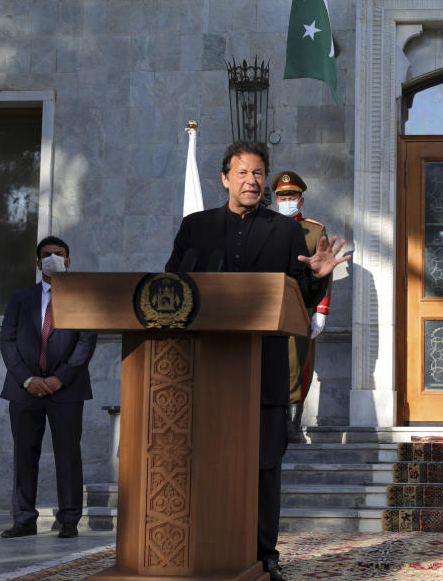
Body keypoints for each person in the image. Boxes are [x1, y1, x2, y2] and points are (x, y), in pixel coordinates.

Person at [165, 141, 349, 581]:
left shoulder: (286, 232)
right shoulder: (197, 227)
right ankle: (204, 545)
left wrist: (318, 279)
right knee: (207, 460)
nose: (252, 181)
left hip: (264, 368)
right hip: (208, 368)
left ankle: (265, 554)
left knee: (265, 466)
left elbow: (298, 299)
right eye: (243, 172)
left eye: (259, 173)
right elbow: (173, 285)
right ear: (225, 177)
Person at [0, 236, 97, 539]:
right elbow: (8, 341)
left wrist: (59, 378)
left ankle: (69, 520)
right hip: (24, 389)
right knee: (24, 454)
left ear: (68, 261)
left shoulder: (83, 297)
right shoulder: (20, 298)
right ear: (38, 263)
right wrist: (29, 379)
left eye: (59, 254)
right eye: (47, 254)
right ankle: (24, 519)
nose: (53, 258)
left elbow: (86, 342)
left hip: (66, 390)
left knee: (68, 454)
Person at [271, 171, 331, 440]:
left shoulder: (314, 230)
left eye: (291, 196)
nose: (287, 200)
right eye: (282, 196)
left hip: (301, 307)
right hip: (267, 306)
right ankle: (272, 419)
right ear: (275, 200)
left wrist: (321, 310)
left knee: (298, 362)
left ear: (301, 200)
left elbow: (324, 271)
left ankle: (291, 424)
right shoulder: (265, 227)